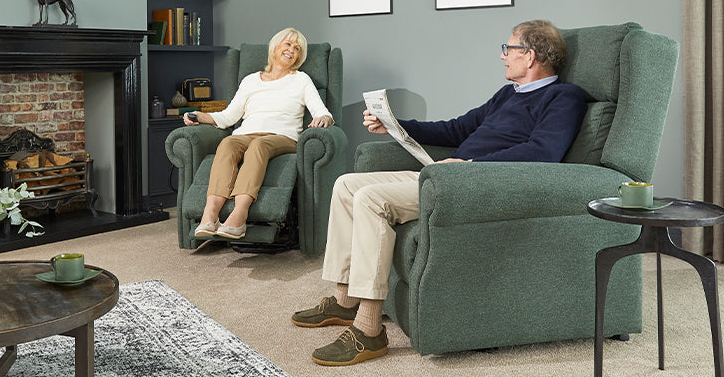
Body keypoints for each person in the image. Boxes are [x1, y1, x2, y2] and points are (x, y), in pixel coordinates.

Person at [291, 20, 587, 366]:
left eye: (508, 49)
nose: (503, 57)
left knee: (371, 199)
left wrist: (469, 164)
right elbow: (458, 128)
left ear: (531, 56)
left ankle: (369, 330)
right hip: (449, 175)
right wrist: (395, 125)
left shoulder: (564, 97)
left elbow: (543, 152)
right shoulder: (509, 94)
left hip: (474, 182)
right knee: (346, 185)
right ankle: (344, 300)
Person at [184, 27, 334, 240]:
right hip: (246, 133)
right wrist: (198, 116)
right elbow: (228, 117)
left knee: (259, 146)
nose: (292, 50)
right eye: (288, 44)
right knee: (227, 143)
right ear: (275, 47)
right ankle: (210, 215)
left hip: (283, 137)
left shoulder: (301, 80)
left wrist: (323, 118)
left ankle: (239, 215)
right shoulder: (250, 80)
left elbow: (323, 112)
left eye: (298, 49)